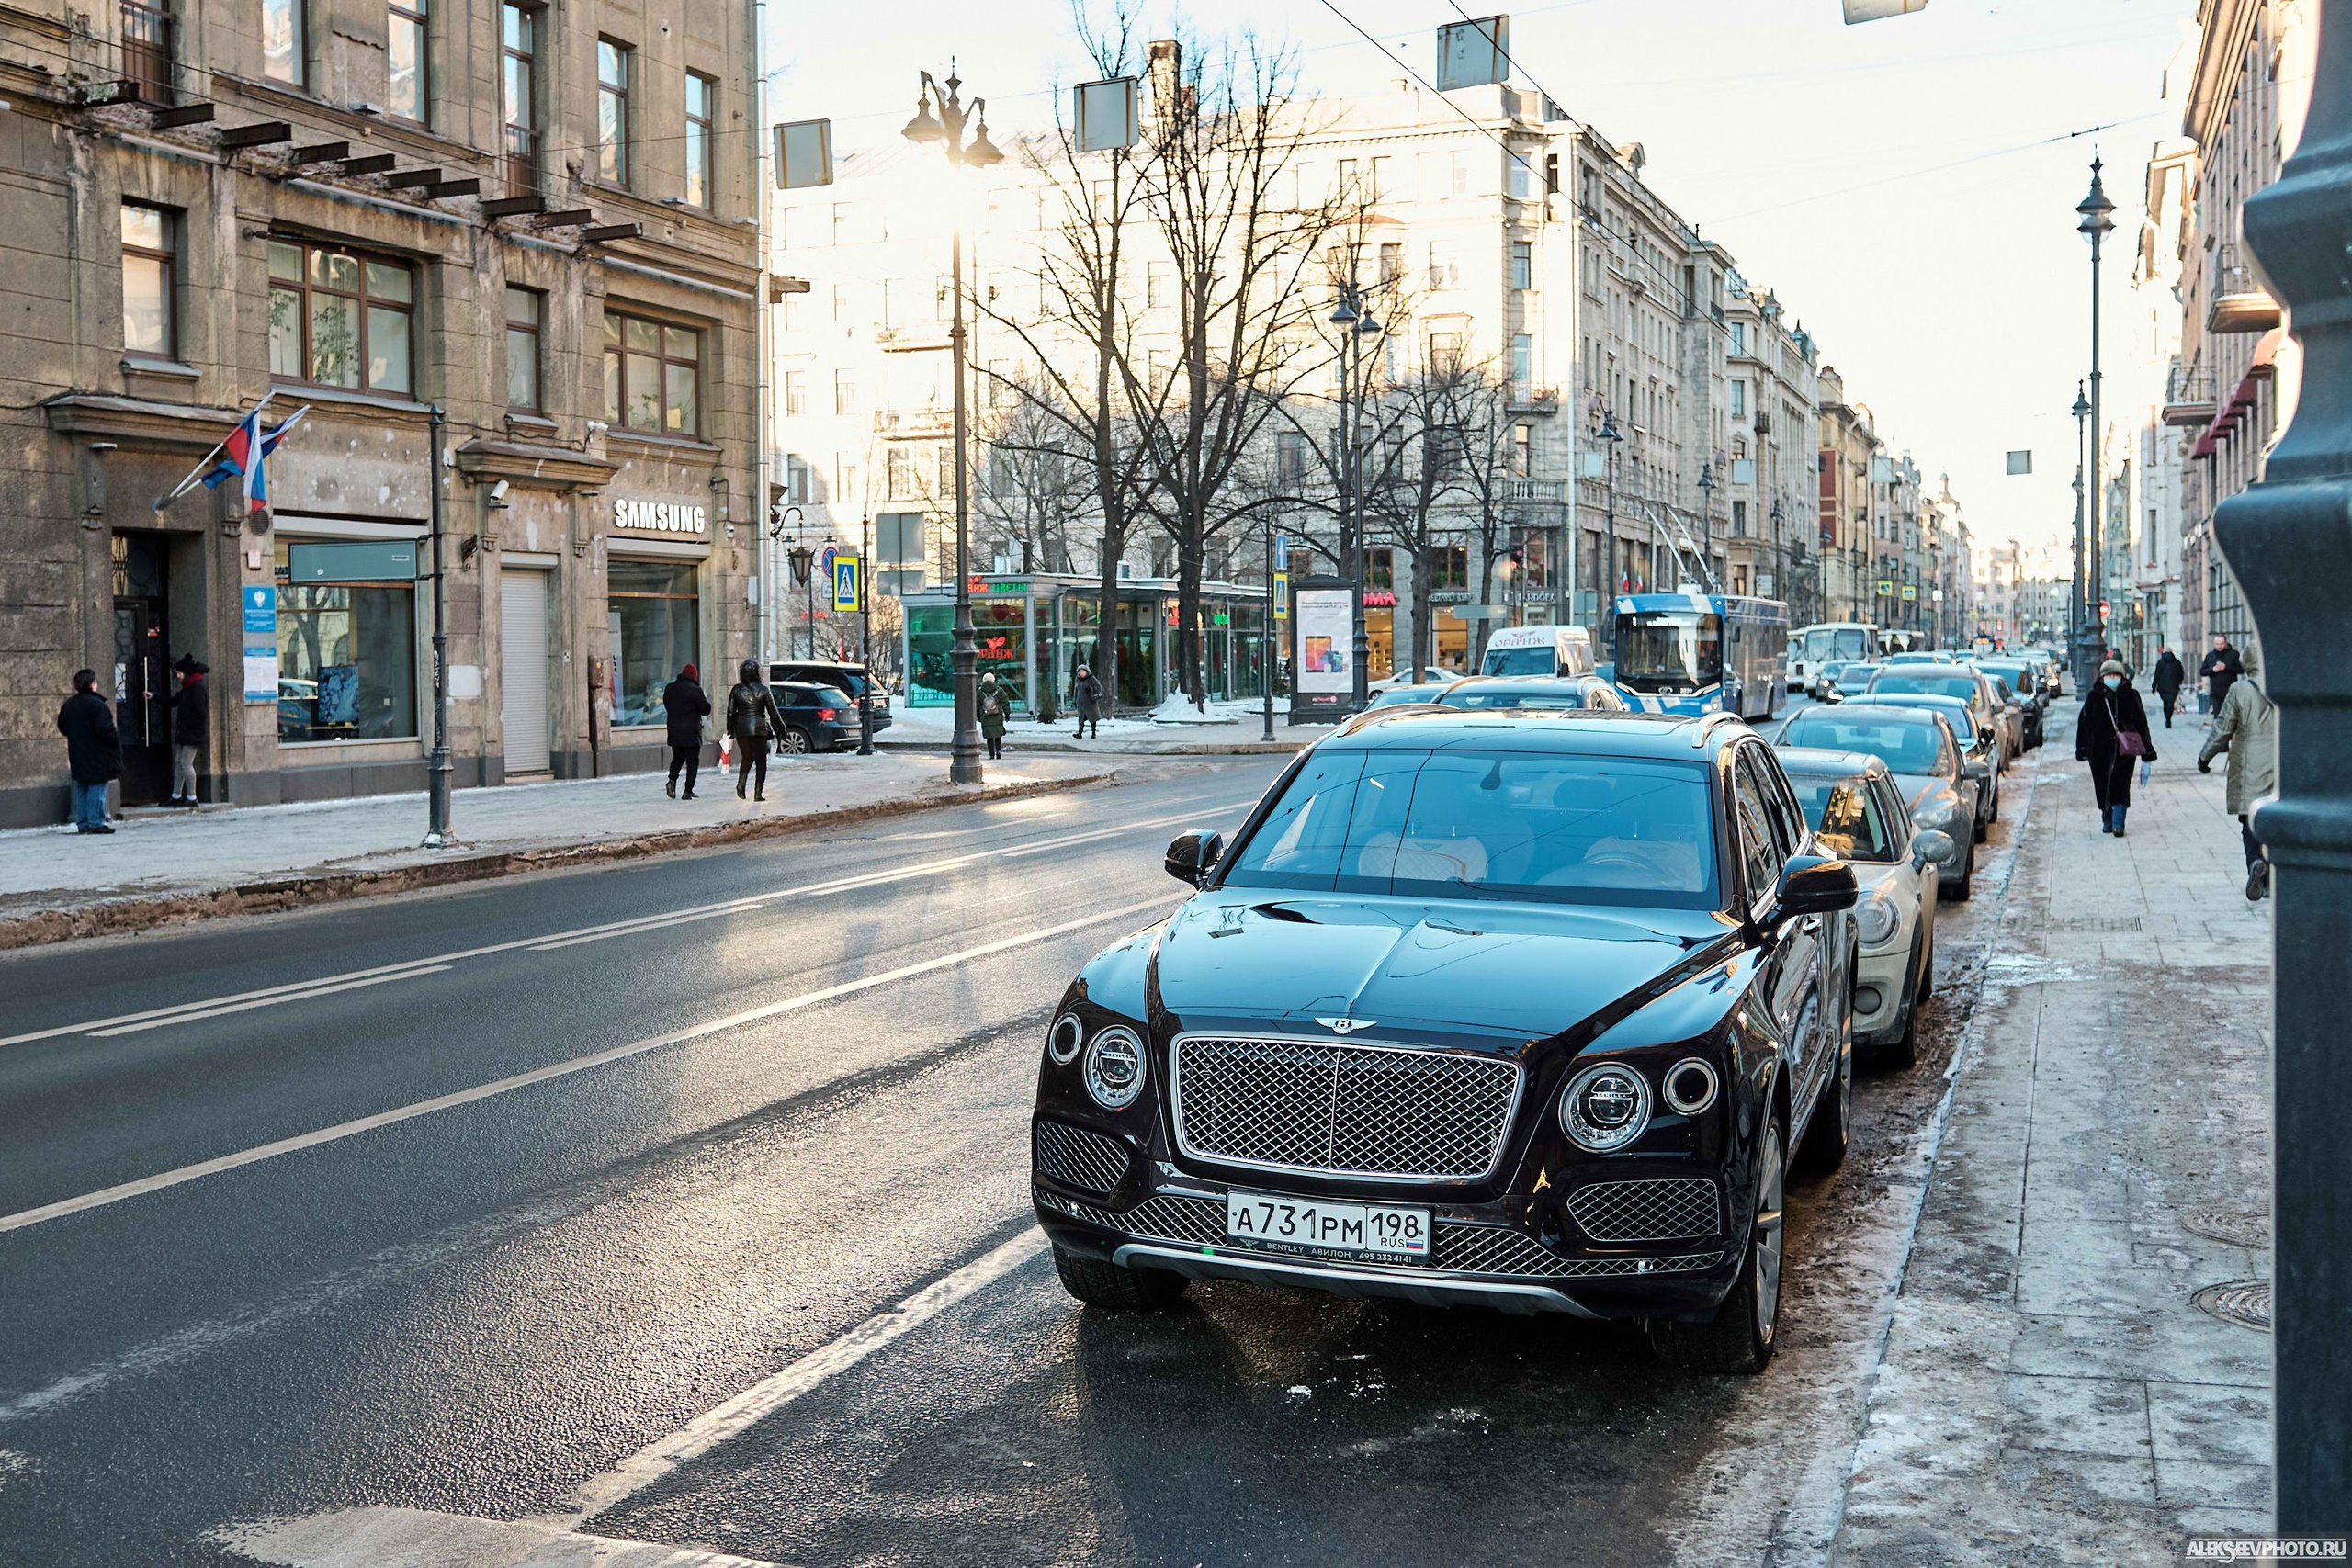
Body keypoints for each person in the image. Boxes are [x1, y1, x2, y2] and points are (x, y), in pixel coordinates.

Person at [2199, 641, 2278, 901]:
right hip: (2281, 761)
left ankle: (2256, 862)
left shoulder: (2240, 689)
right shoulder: (2284, 686)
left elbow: (2223, 727)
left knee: (2250, 819)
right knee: (2277, 818)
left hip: (2249, 764)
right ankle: (2272, 876)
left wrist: (2205, 756)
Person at [2076, 658, 2156, 837]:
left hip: (2125, 749)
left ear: (2122, 677)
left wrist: (2147, 750)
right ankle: (2107, 819)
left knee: (2121, 785)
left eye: (2116, 675)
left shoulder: (2131, 695)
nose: (2113, 678)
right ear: (2103, 677)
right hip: (2099, 750)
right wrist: (2083, 748)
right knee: (2103, 785)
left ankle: (2119, 823)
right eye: (2109, 675)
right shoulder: (2094, 697)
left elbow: (2141, 723)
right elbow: (2084, 724)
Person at [56, 668, 121, 834]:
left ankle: (83, 822)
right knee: (97, 787)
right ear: (92, 684)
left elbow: (63, 727)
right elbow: (106, 730)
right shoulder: (97, 705)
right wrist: (115, 743)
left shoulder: (69, 705)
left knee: (82, 787)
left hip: (77, 751)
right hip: (97, 752)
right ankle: (95, 822)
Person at [725, 658, 785, 802]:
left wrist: (730, 731)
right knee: (761, 761)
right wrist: (782, 728)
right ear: (757, 673)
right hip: (759, 729)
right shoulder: (763, 690)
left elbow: (731, 712)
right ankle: (758, 793)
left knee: (747, 758)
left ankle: (741, 784)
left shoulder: (736, 690)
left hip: (742, 729)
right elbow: (773, 712)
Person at [164, 653, 209, 806]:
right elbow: (174, 701)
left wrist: (187, 726)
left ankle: (191, 797)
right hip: (185, 732)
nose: (177, 675)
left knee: (186, 763)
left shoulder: (196, 688)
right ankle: (176, 795)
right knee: (179, 762)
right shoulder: (188, 687)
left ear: (186, 672)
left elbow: (200, 713)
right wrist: (154, 697)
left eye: (179, 673)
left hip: (192, 733)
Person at [662, 662, 711, 799]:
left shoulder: (670, 688)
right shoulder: (695, 690)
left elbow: (667, 705)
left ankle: (672, 780)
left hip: (674, 731)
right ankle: (688, 790)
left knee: (677, 757)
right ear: (694, 676)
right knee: (692, 761)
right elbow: (706, 710)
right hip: (691, 733)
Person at [2199, 634, 2243, 716]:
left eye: (2222, 644)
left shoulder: (2233, 654)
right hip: (2215, 692)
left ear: (2226, 643)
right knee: (2217, 715)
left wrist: (2226, 668)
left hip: (2230, 691)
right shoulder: (2210, 656)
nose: (2219, 646)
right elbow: (2202, 671)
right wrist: (2212, 670)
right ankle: (2218, 729)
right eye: (2217, 644)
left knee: (2230, 715)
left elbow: (2240, 670)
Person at [2149, 643, 2186, 729]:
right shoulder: (2177, 663)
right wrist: (2178, 682)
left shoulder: (2160, 662)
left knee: (2165, 703)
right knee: (2171, 703)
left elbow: (2157, 675)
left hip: (2162, 687)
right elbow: (2181, 674)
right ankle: (2169, 718)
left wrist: (2154, 687)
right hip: (2173, 686)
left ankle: (2167, 718)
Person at [978, 671, 1012, 761]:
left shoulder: (980, 691)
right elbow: (1005, 703)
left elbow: (976, 705)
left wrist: (978, 716)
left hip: (985, 716)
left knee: (989, 736)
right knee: (998, 734)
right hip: (997, 715)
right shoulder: (999, 691)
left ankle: (991, 754)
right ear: (993, 680)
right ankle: (998, 751)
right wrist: (1007, 714)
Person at [1072, 663, 1105, 740]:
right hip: (1081, 702)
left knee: (1092, 718)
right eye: (1080, 672)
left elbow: (1098, 687)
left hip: (1090, 702)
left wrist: (1091, 689)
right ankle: (1079, 734)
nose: (1081, 674)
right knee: (1081, 719)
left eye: (1083, 672)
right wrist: (1075, 700)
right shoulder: (1077, 679)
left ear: (1086, 672)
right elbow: (1076, 690)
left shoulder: (1091, 678)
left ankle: (1093, 733)